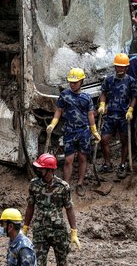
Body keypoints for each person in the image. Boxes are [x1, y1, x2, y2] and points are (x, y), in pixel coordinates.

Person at [45, 68, 99, 196]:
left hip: (84, 131)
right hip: (69, 130)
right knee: (68, 159)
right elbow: (59, 110)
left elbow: (90, 114)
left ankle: (80, 183)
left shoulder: (86, 98)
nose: (72, 84)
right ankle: (66, 185)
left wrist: (94, 131)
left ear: (81, 81)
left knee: (82, 157)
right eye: (71, 82)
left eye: (75, 82)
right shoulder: (65, 95)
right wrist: (53, 123)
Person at [24, 153, 79, 266]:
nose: (38, 170)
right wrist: (25, 227)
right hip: (40, 231)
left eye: (41, 169)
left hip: (58, 231)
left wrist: (74, 232)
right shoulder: (34, 185)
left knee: (62, 263)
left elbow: (69, 208)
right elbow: (30, 206)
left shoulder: (63, 187)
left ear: (49, 170)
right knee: (38, 263)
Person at [98, 53, 137, 178]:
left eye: (122, 67)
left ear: (126, 68)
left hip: (124, 116)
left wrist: (131, 109)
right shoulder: (109, 79)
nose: (120, 69)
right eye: (118, 67)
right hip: (110, 115)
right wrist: (102, 104)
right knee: (104, 140)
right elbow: (103, 92)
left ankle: (122, 164)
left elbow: (134, 97)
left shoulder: (131, 81)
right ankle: (107, 163)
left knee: (124, 141)